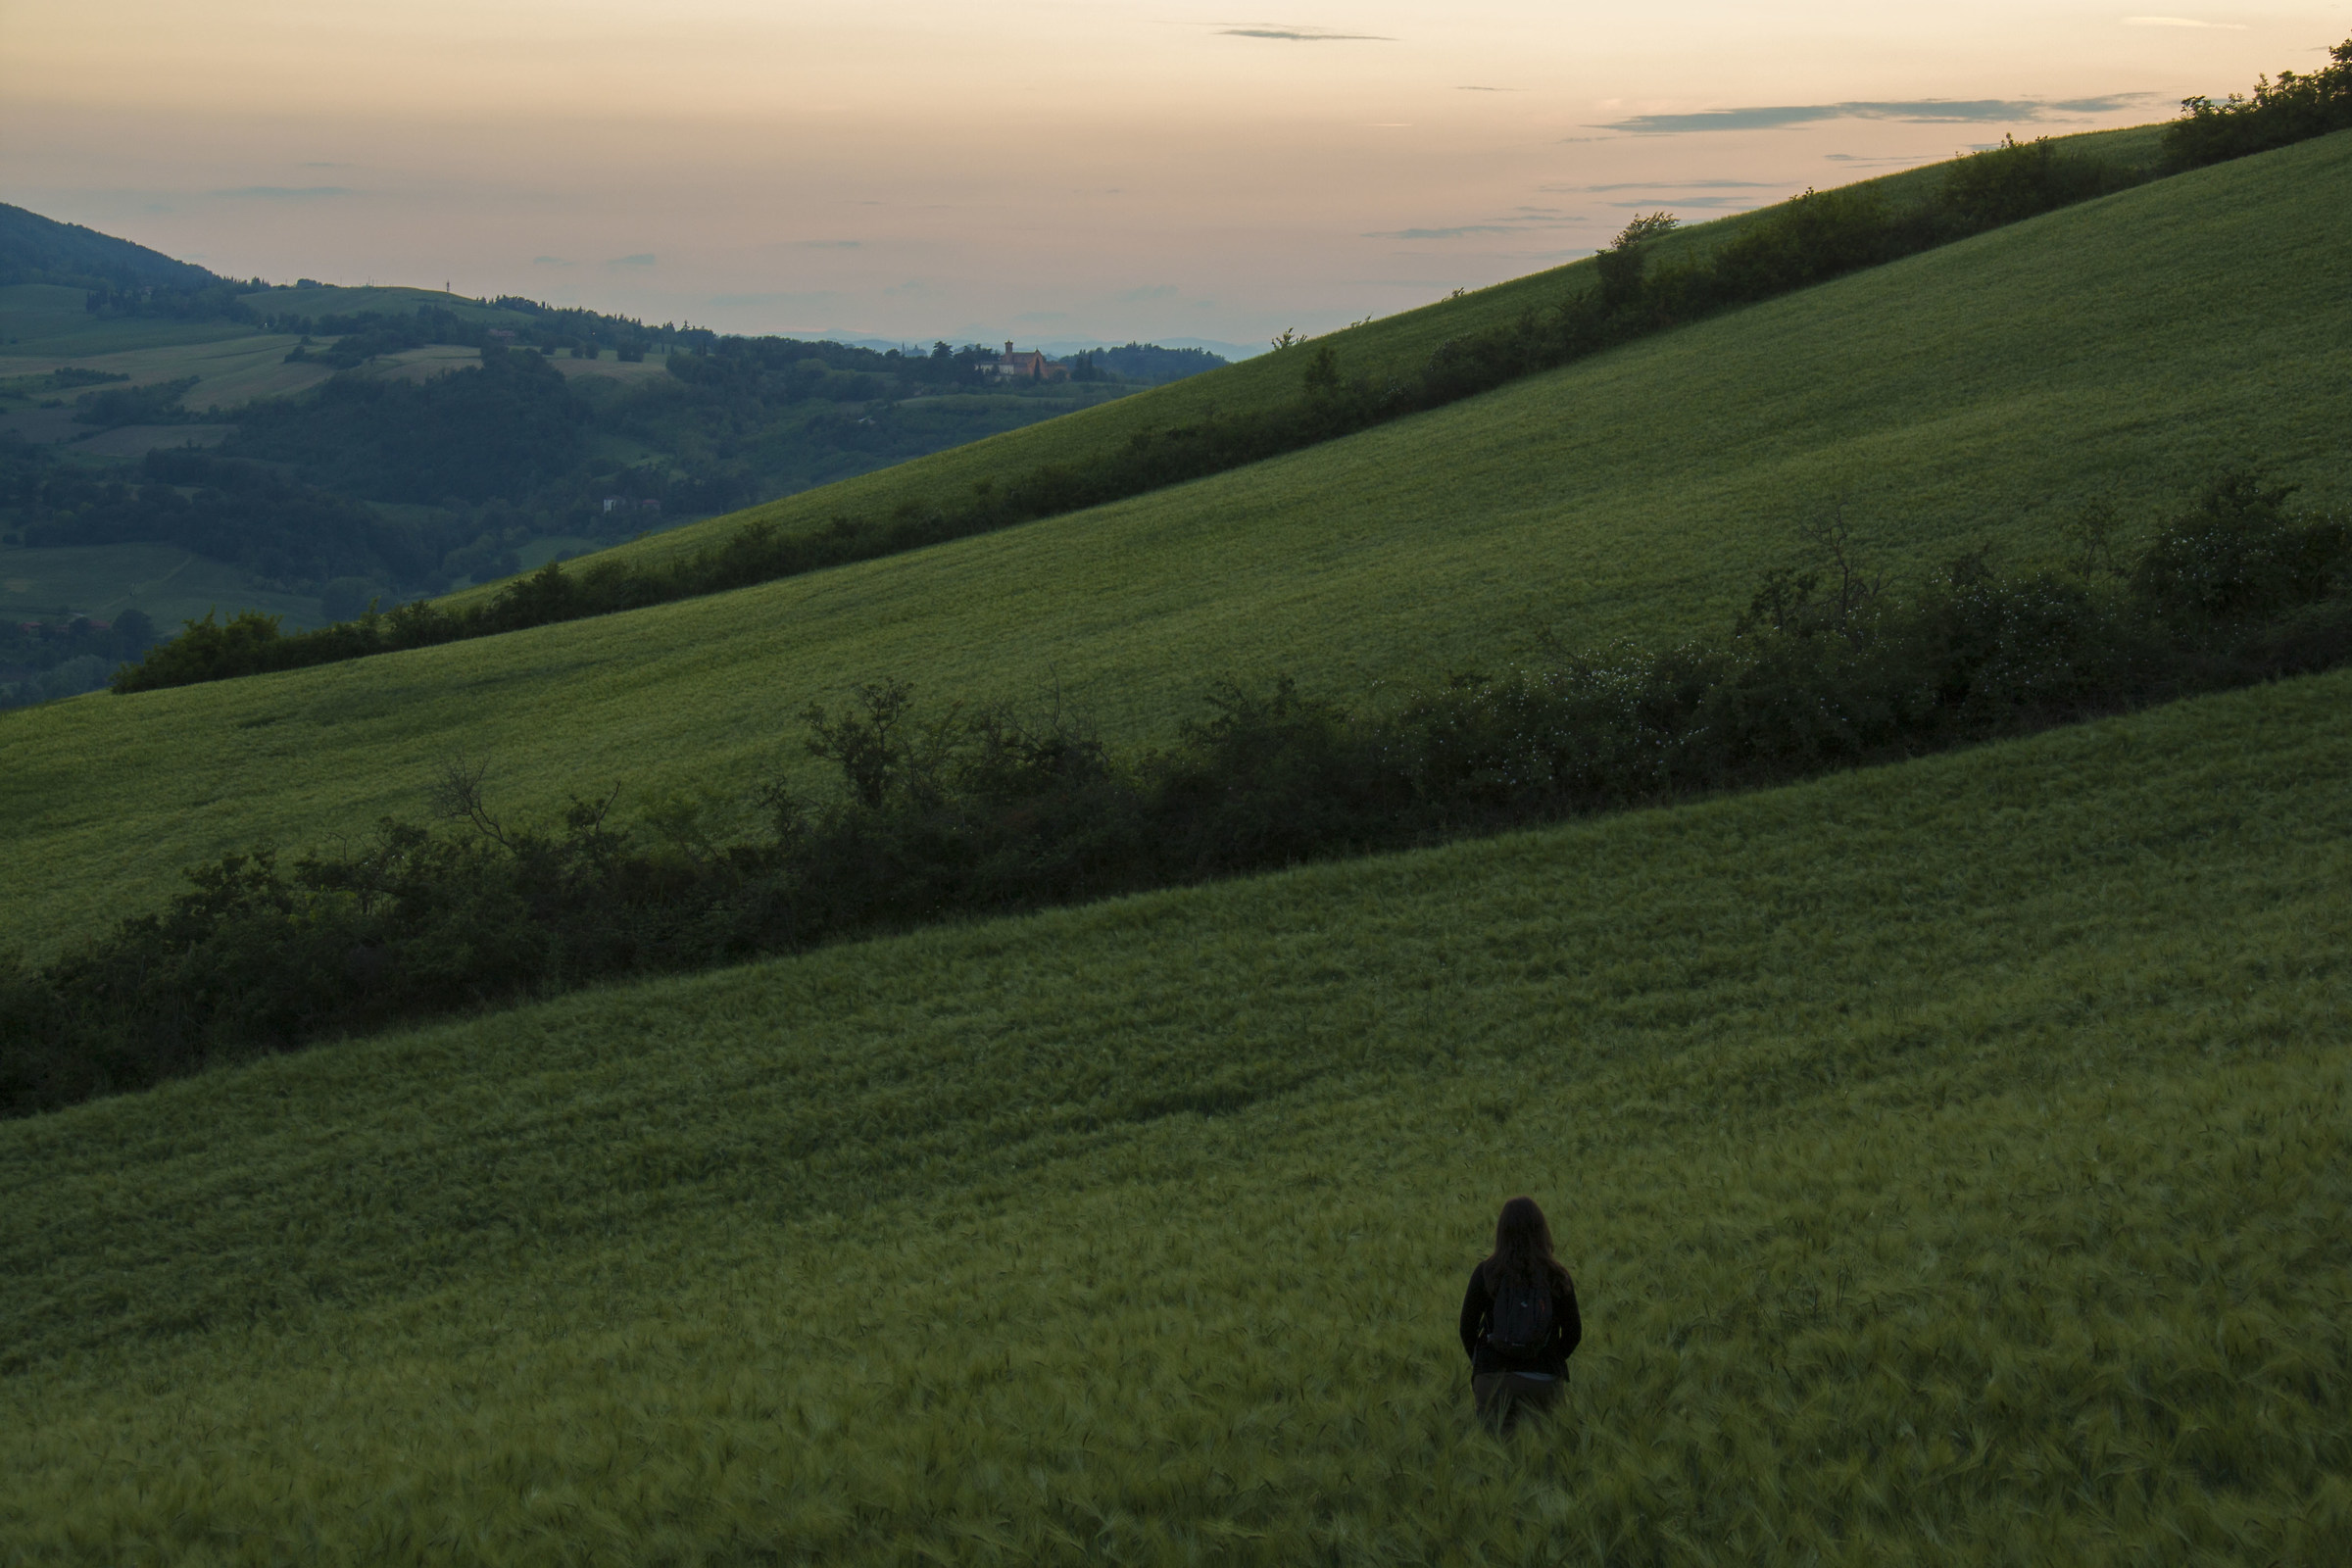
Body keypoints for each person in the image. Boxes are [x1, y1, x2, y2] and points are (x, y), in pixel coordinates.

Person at [1459, 1195, 1582, 1435]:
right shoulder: (1557, 1275)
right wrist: (1549, 1358)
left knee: (1495, 1456)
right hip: (1543, 1379)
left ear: (1501, 1232)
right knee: (1544, 1454)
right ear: (1542, 1232)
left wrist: (1482, 1363)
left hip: (1493, 1380)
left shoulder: (1487, 1273)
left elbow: (1466, 1328)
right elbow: (1573, 1333)